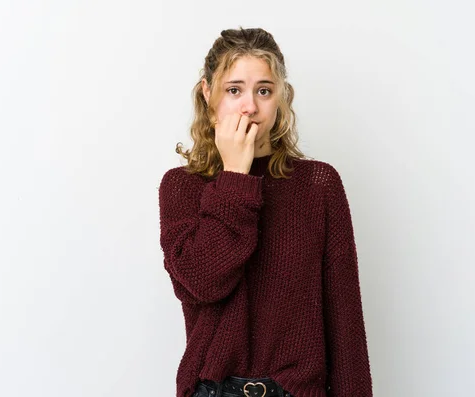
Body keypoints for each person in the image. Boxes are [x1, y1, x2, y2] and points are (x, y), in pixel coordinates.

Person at [158, 27, 373, 397]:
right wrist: (235, 177)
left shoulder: (318, 185)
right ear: (208, 94)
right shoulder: (182, 187)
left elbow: (345, 324)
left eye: (264, 90)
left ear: (281, 98)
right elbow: (203, 283)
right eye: (234, 89)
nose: (250, 107)